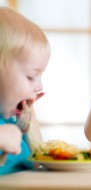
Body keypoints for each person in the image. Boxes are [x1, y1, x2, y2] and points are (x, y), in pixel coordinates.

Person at [0, 7, 50, 175]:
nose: (39, 87)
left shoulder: (11, 119)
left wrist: (29, 126)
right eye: (30, 77)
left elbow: (38, 163)